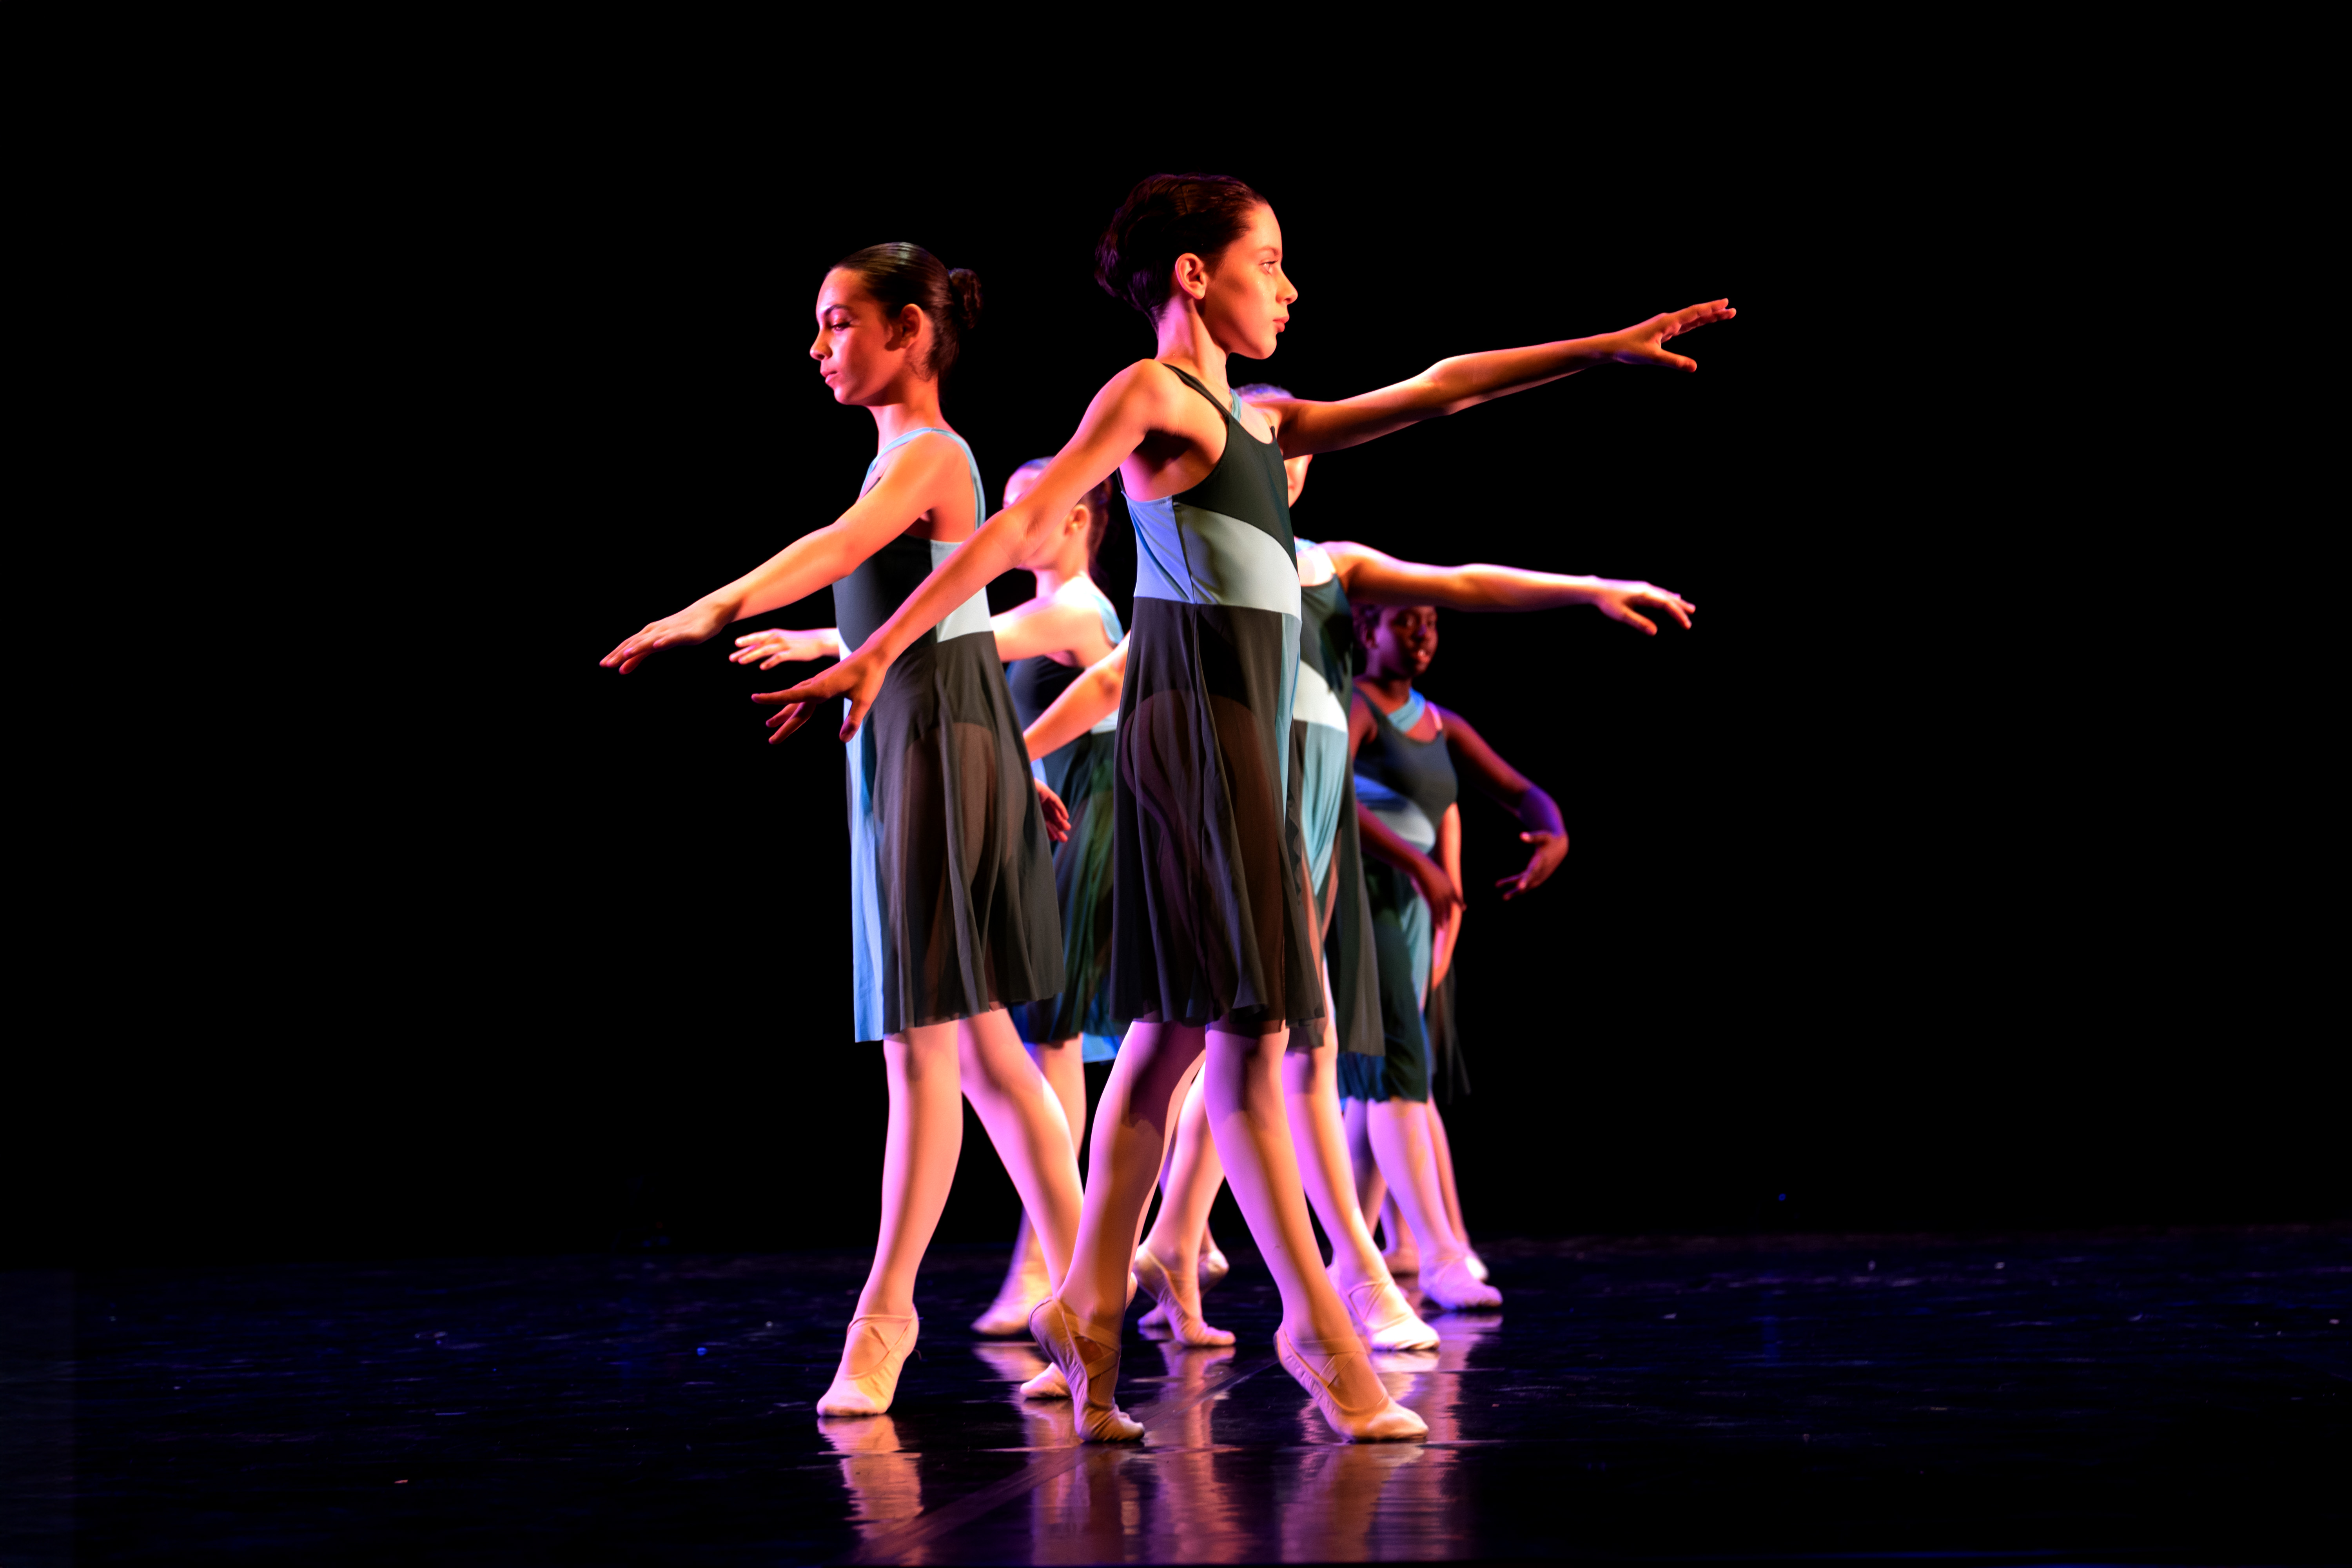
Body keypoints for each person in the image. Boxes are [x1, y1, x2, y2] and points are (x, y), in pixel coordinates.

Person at [758, 172, 1731, 1443]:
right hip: (1198, 736)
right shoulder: (1150, 395)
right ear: (1193, 274)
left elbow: (1439, 387)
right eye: (1267, 261)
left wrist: (1597, 354)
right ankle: (1318, 1335)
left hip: (1249, 744)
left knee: (1173, 1046)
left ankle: (1089, 1311)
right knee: (1249, 1046)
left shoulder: (1263, 423)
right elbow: (1021, 526)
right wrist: (884, 646)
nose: (1288, 287)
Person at [1022, 402, 1694, 1337]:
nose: (1274, 457)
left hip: (1316, 806)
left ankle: (1176, 1244)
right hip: (1247, 793)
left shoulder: (1329, 566)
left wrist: (1584, 588)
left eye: (1285, 444)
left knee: (1252, 1042)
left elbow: (1462, 580)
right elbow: (1113, 677)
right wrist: (1019, 752)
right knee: (1276, 1040)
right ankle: (1344, 1271)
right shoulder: (1209, 568)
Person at [598, 244, 1083, 1417]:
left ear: (909, 330)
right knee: (981, 1054)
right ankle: (1087, 1294)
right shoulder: (903, 461)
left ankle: (890, 1316)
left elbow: (842, 549)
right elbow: (938, 616)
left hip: (935, 748)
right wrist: (848, 658)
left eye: (837, 322)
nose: (817, 347)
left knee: (931, 1049)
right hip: (924, 747)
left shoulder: (932, 455)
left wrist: (712, 605)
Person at [731, 460, 1125, 1338]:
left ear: (1075, 519)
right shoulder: (1050, 606)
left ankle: (1058, 1261)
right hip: (1034, 803)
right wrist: (836, 642)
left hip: (1074, 822)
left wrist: (829, 643)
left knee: (1044, 1040)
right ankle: (1073, 1264)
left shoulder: (1073, 608)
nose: (1006, 525)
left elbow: (960, 632)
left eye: (1026, 509)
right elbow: (953, 636)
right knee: (1018, 1046)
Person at [1342, 598, 1577, 1308]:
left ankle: (1363, 1255)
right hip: (1368, 899)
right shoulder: (1355, 707)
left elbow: (1523, 792)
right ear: (1367, 631)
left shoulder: (1443, 724)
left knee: (1378, 1082)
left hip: (1421, 908)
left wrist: (1554, 835)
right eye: (1405, 623)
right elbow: (1327, 797)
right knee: (1393, 1071)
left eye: (1432, 623)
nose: (1422, 635)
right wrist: (1420, 867)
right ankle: (1440, 1253)